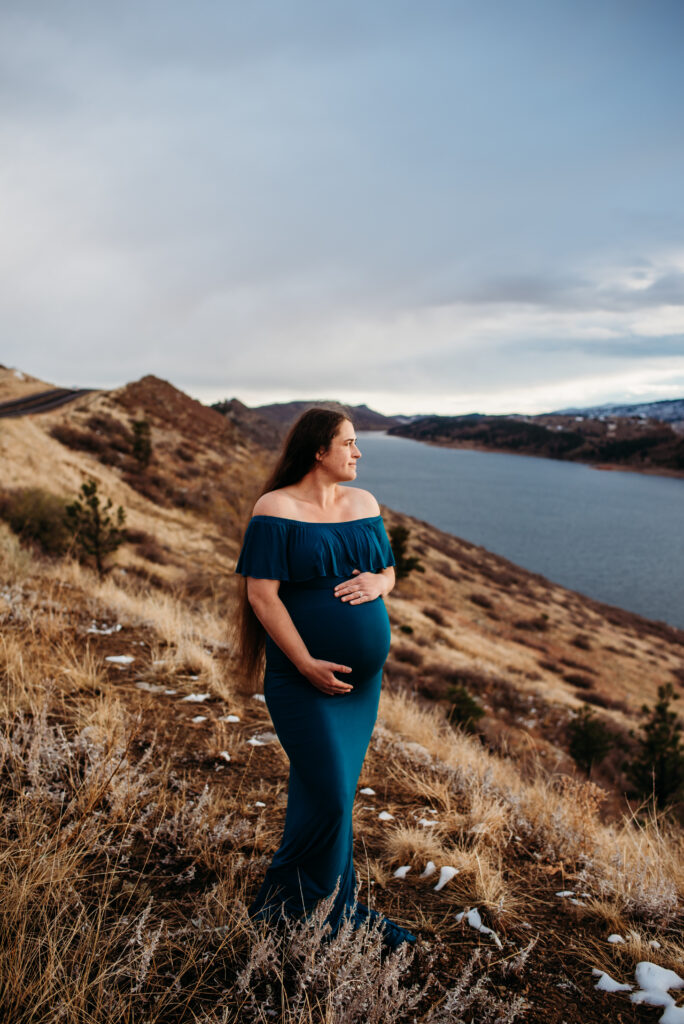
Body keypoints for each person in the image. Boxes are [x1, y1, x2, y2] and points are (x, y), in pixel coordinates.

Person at [234, 407, 416, 950]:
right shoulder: (277, 508)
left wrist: (379, 585)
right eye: (349, 442)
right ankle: (304, 909)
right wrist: (306, 663)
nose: (359, 452)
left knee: (326, 793)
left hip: (361, 688)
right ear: (319, 450)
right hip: (302, 681)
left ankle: (308, 908)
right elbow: (261, 596)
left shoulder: (364, 505)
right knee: (333, 795)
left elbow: (388, 571)